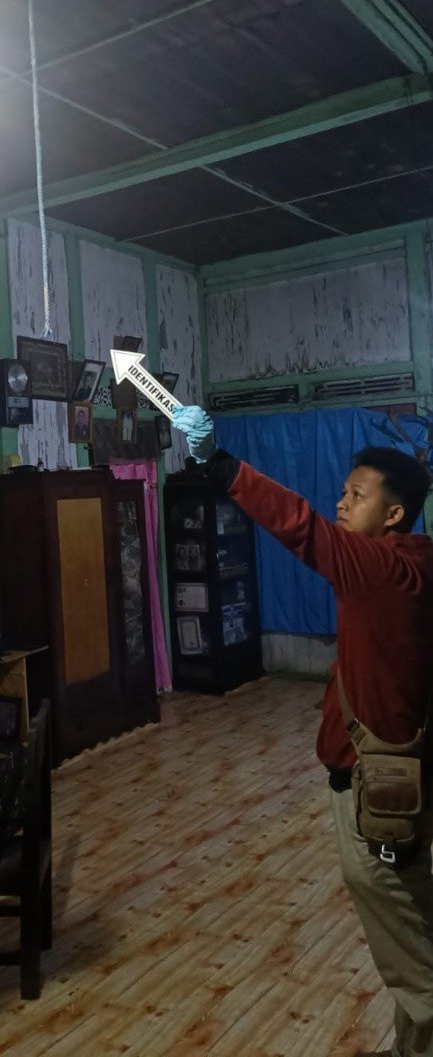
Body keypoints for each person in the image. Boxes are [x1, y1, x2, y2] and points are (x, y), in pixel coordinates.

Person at [172, 403, 433, 1057]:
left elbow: (297, 525)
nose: (340, 502)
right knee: (415, 926)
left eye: (356, 495)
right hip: (405, 780)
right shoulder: (417, 564)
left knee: (412, 961)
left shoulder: (377, 570)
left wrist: (221, 463)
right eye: (343, 491)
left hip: (373, 791)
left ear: (393, 514)